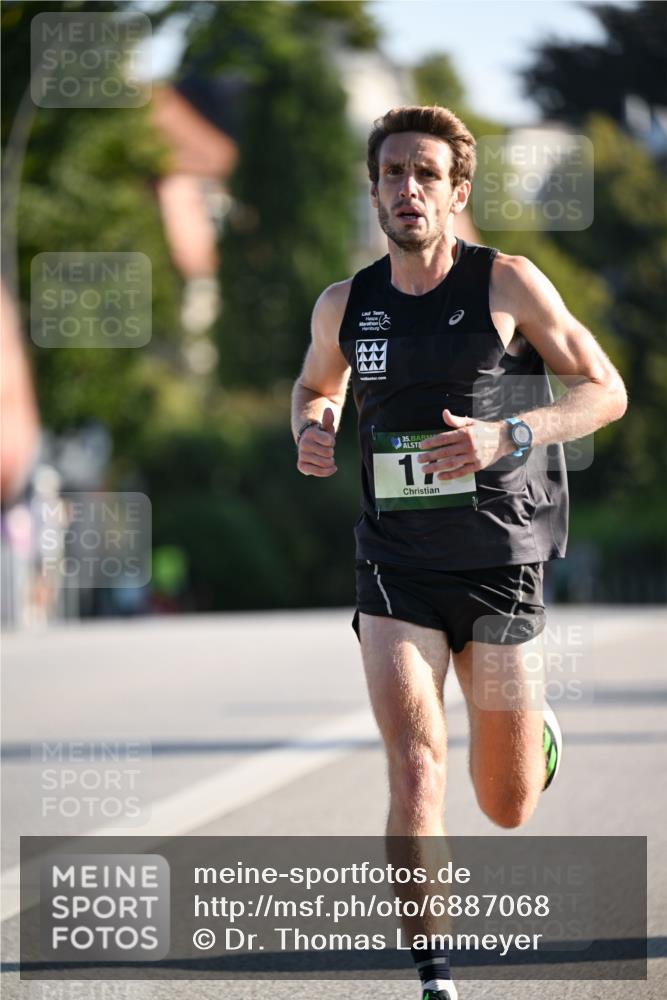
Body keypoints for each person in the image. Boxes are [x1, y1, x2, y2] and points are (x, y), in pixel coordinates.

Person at [290, 106, 627, 1000]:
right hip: (393, 559)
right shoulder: (344, 302)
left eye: (426, 174)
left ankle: (532, 736)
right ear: (373, 191)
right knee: (413, 764)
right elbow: (315, 385)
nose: (407, 188)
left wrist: (506, 432)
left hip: (498, 558)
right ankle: (434, 971)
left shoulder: (506, 283)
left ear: (456, 191)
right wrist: (313, 427)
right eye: (392, 172)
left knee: (505, 805)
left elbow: (605, 390)